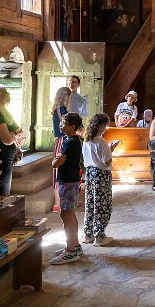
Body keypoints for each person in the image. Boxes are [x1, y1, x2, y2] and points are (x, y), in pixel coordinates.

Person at [50, 113, 83, 265]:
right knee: (70, 213)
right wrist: (58, 158)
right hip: (72, 180)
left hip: (68, 181)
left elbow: (55, 164)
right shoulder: (74, 140)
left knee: (66, 214)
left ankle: (70, 251)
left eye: (64, 123)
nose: (61, 125)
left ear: (72, 127)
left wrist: (56, 159)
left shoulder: (69, 142)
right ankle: (74, 245)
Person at [82, 113, 119, 247]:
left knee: (91, 203)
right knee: (102, 205)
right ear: (102, 126)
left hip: (90, 174)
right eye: (106, 126)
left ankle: (88, 234)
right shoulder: (101, 141)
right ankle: (99, 236)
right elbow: (106, 161)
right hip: (101, 175)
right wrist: (111, 149)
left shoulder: (87, 139)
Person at [51, 86, 72, 211]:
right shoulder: (62, 110)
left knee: (60, 170)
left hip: (59, 140)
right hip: (62, 141)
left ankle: (60, 202)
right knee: (60, 170)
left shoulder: (56, 109)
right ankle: (58, 203)